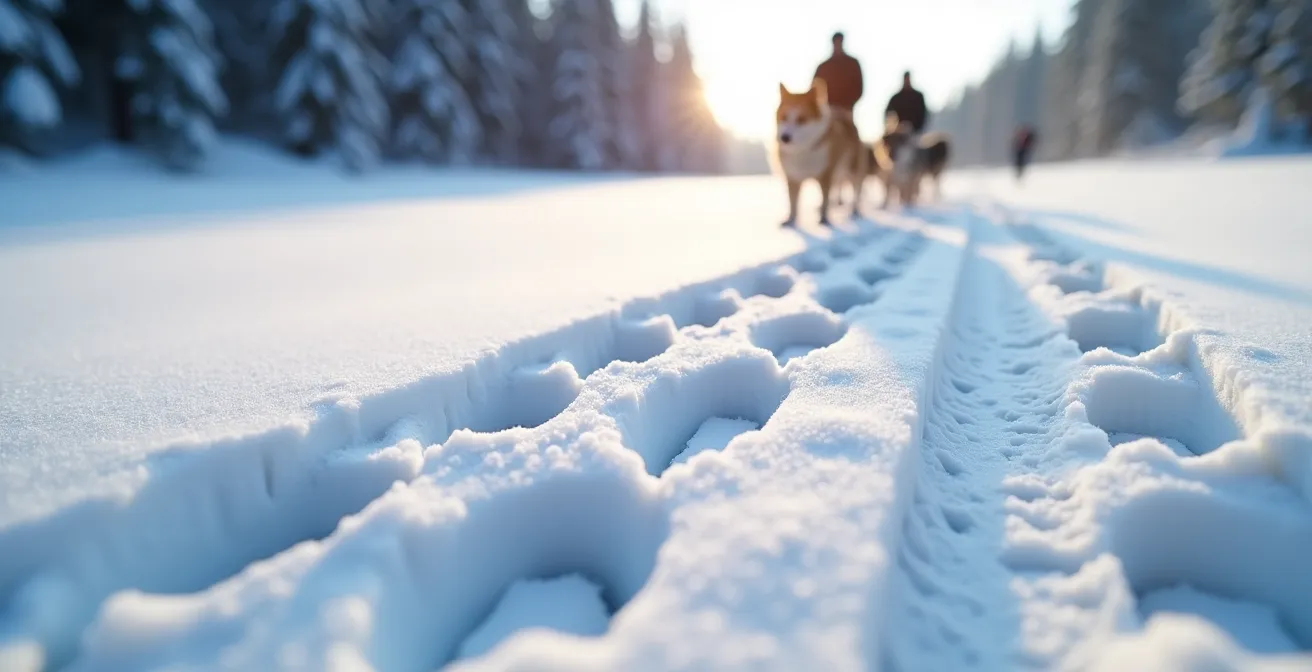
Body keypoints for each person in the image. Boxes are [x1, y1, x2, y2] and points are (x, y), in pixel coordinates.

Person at [813, 32, 864, 119]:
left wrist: (848, 104)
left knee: (848, 130)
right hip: (827, 110)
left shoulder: (852, 63)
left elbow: (859, 86)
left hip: (846, 110)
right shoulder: (824, 66)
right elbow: (814, 88)